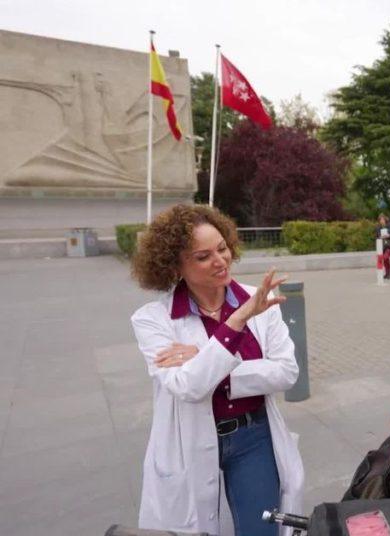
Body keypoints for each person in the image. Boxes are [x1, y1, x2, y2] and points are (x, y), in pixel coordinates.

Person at [130, 204, 304, 535]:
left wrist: (209, 359)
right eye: (202, 256)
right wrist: (236, 321)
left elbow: (286, 372)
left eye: (222, 248)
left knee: (261, 530)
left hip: (254, 437)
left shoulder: (260, 300)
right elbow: (188, 386)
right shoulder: (152, 320)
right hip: (189, 442)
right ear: (175, 264)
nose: (220, 260)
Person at [376, 213, 390, 279]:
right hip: (382, 245)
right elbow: (377, 236)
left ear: (385, 219)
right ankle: (388, 273)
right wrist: (380, 237)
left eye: (382, 219)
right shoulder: (378, 227)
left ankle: (388, 273)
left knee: (385, 257)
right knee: (386, 260)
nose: (381, 221)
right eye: (380, 220)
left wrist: (389, 235)